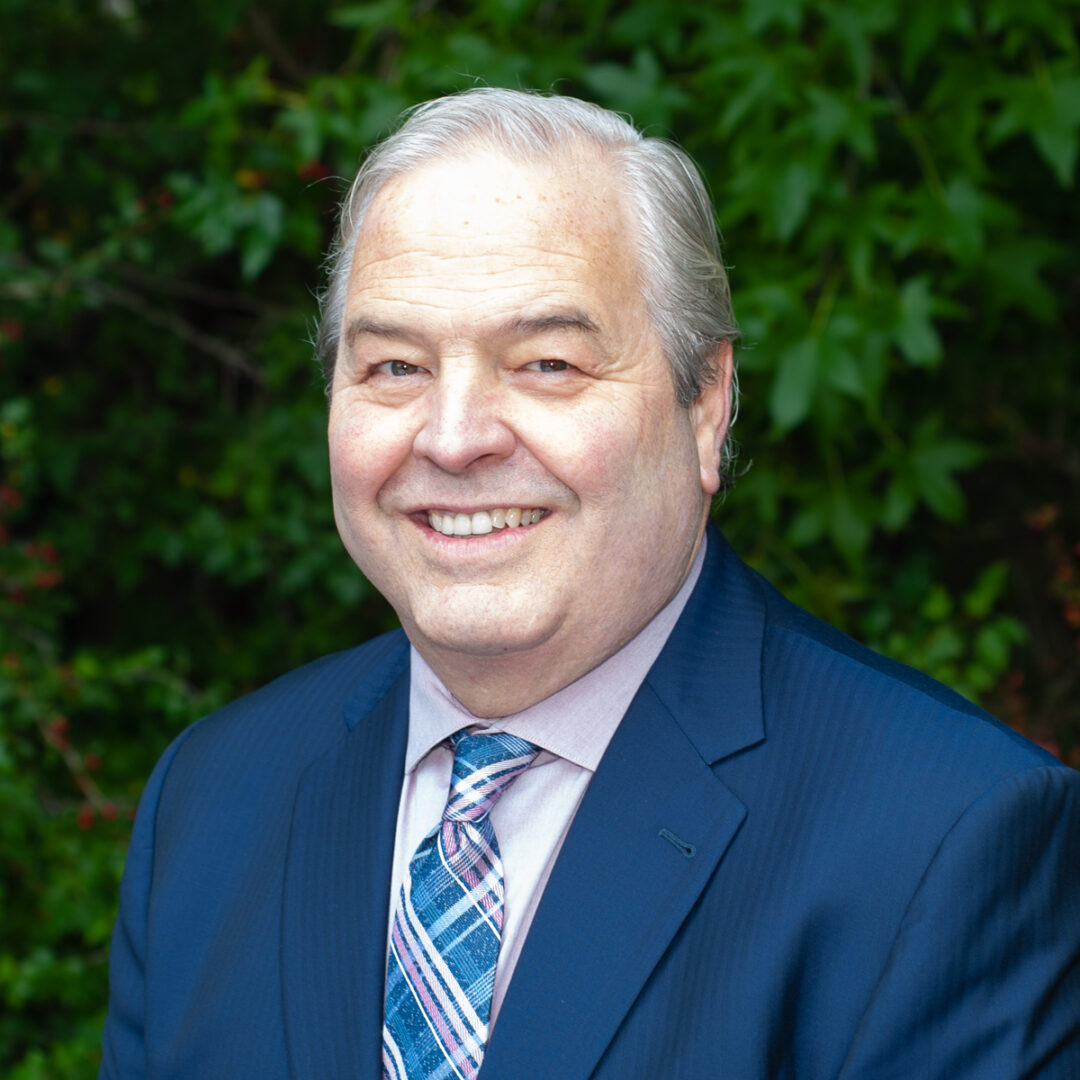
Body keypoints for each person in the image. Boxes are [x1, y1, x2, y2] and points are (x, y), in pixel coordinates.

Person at [100, 88, 1080, 1080]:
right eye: (395, 367)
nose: (453, 437)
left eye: (547, 364)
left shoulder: (948, 840)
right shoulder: (211, 799)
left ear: (707, 405)